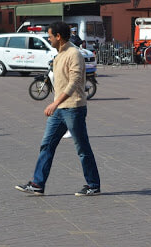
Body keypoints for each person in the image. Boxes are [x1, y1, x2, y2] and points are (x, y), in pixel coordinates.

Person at [15, 21, 100, 196]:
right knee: (47, 145)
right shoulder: (59, 54)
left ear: (58, 37)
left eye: (50, 36)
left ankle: (93, 185)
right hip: (60, 110)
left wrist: (54, 103)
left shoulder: (73, 54)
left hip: (73, 108)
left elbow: (74, 83)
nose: (49, 39)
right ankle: (38, 184)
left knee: (82, 147)